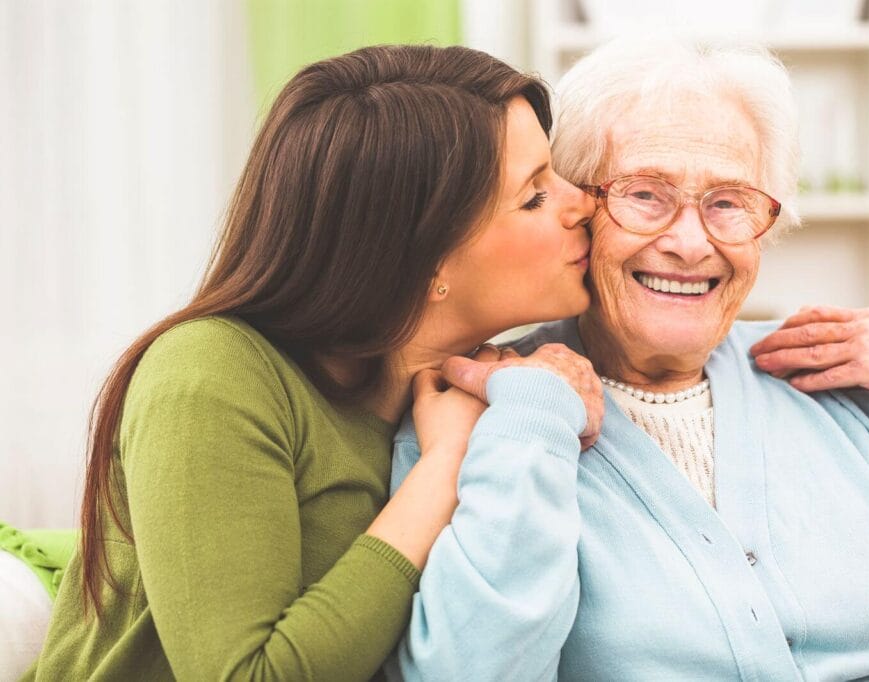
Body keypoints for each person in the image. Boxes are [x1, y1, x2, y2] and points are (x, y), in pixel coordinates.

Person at [388, 37, 869, 681]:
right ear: (577, 209)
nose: (692, 244)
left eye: (728, 203)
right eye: (645, 195)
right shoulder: (482, 410)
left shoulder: (836, 389)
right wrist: (536, 420)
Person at [23, 44, 601, 681]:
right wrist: (441, 470)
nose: (584, 203)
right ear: (424, 258)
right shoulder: (209, 374)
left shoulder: (498, 394)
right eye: (535, 196)